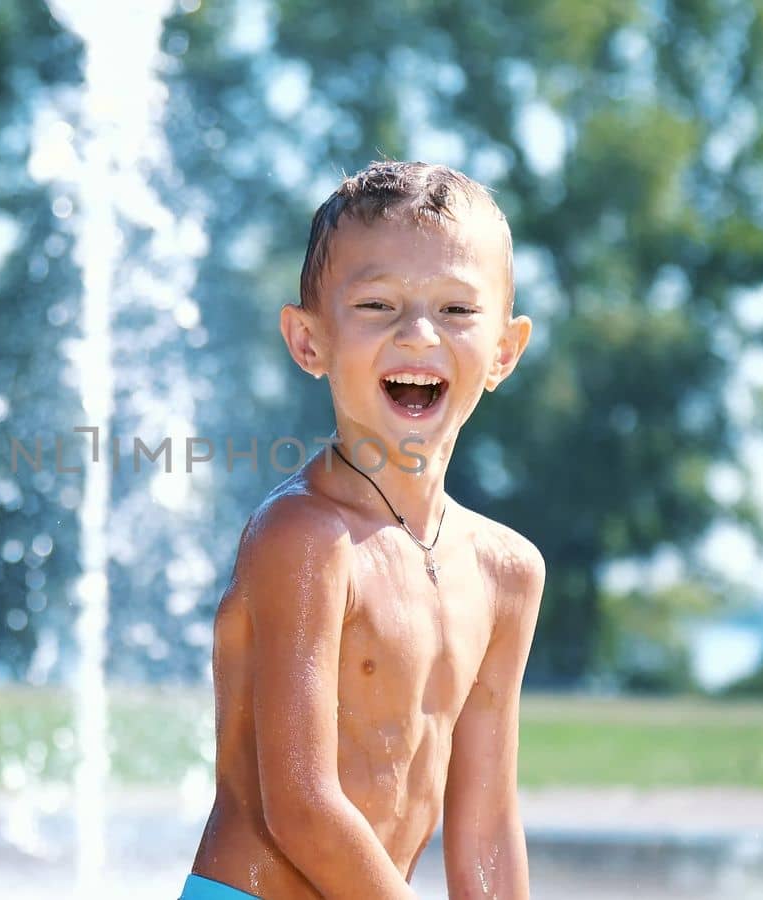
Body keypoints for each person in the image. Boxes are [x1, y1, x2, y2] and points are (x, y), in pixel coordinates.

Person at [184, 161, 543, 900]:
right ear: (309, 341)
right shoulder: (304, 538)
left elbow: (486, 828)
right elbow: (302, 806)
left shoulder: (507, 572)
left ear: (505, 351)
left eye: (456, 310)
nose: (418, 333)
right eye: (377, 305)